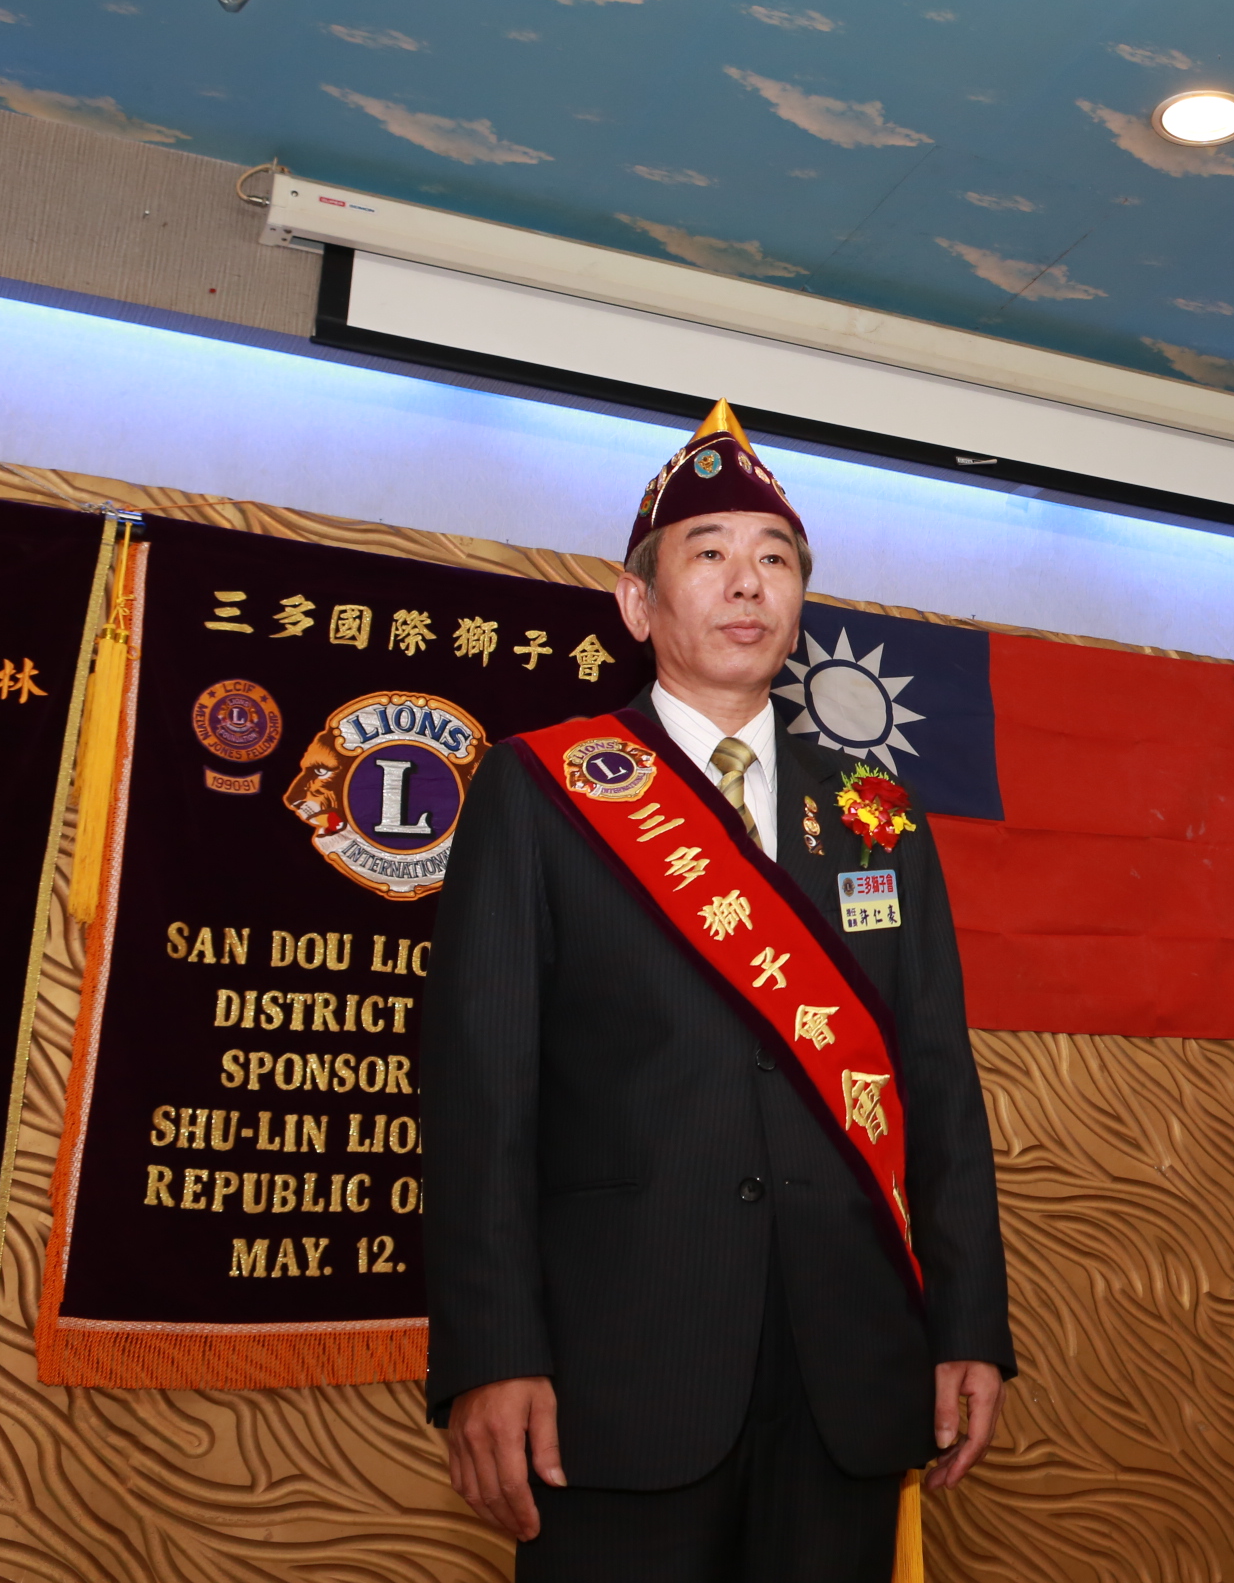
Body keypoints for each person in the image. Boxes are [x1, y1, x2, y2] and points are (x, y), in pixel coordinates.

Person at [423, 402, 1012, 1582]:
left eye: (775, 560)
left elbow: (938, 1085)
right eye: (709, 554)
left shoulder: (875, 816)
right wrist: (489, 1351)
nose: (748, 583)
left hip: (850, 1366)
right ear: (638, 604)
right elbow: (481, 1096)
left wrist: (969, 1325)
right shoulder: (542, 791)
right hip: (617, 1369)